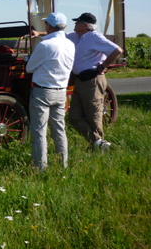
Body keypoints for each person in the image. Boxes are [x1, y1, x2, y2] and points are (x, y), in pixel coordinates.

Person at [66, 12, 123, 151]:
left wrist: (103, 66)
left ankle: (99, 146)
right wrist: (39, 33)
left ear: (85, 25)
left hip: (92, 80)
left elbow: (117, 50)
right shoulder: (76, 36)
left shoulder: (94, 37)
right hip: (79, 80)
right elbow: (58, 35)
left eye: (77, 22)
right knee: (74, 117)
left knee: (94, 115)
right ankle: (98, 143)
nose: (75, 24)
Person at [25, 12, 75, 171]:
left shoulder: (45, 45)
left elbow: (29, 68)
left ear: (50, 26)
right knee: (59, 129)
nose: (45, 26)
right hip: (61, 90)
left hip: (43, 91)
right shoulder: (70, 44)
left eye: (46, 24)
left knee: (39, 130)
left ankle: (41, 167)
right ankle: (63, 164)